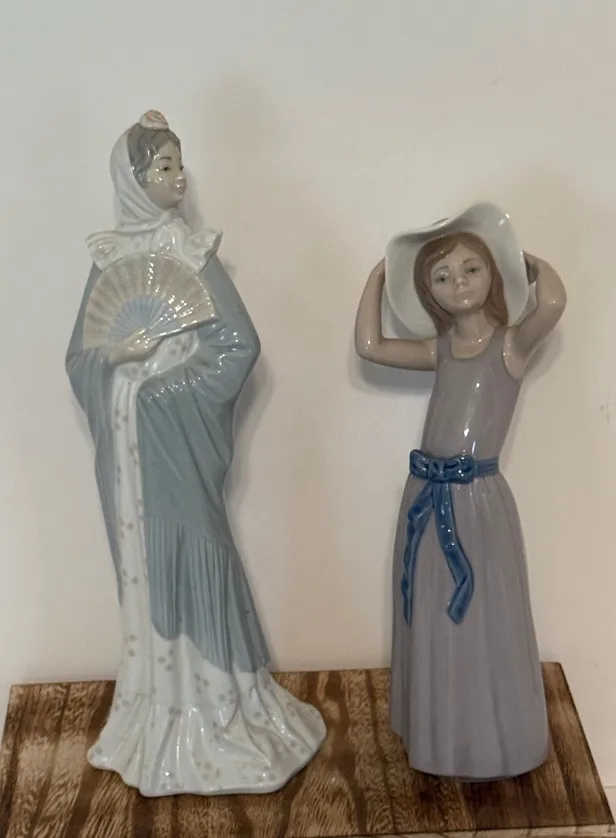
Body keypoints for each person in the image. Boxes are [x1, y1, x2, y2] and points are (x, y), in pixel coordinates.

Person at [66, 111, 325, 796]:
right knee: (142, 568)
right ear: (133, 179)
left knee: (198, 549)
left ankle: (215, 704)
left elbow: (239, 345)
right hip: (126, 453)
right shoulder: (108, 260)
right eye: (163, 167)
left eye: (180, 164)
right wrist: (116, 359)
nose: (178, 178)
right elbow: (79, 358)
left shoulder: (190, 252)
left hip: (173, 438)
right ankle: (156, 704)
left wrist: (165, 390)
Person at [354, 202, 566, 780]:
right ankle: (441, 738)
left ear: (493, 274)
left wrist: (523, 260)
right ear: (429, 293)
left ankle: (493, 739)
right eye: (442, 277)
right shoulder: (440, 350)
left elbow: (551, 303)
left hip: (477, 500)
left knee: (482, 615)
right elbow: (370, 346)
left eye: (473, 269)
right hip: (425, 497)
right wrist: (378, 276)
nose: (460, 283)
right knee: (431, 612)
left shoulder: (510, 347)